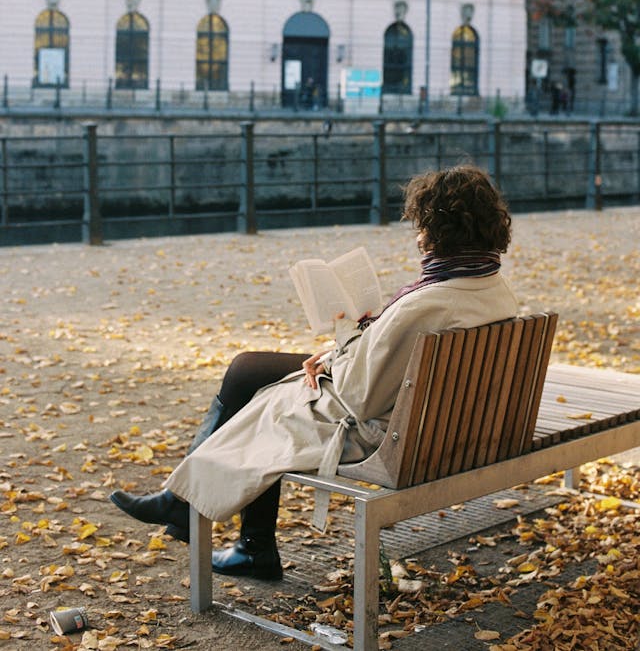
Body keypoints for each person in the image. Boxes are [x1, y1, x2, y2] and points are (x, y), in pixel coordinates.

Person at [110, 165, 517, 581]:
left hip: (389, 434)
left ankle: (219, 526)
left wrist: (343, 335)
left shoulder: (426, 304)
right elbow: (389, 365)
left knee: (263, 392)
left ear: (439, 230)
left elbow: (360, 398)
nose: (417, 237)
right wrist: (343, 347)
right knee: (247, 370)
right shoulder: (489, 286)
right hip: (442, 422)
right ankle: (209, 520)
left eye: (422, 226)